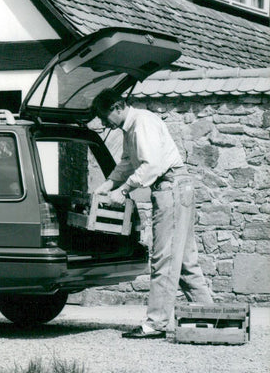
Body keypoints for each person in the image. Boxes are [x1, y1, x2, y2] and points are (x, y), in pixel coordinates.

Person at [91, 89, 213, 339]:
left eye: (105, 117)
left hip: (170, 188)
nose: (104, 123)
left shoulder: (142, 123)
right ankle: (212, 317)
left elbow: (151, 165)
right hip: (176, 187)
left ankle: (156, 323)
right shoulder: (131, 127)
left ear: (117, 106)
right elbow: (128, 161)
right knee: (186, 263)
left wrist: (123, 191)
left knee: (163, 259)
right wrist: (109, 183)